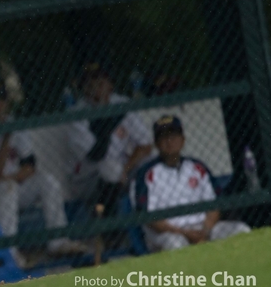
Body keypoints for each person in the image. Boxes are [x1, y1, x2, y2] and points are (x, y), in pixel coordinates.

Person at [0, 79, 87, 258]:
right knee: (6, 188)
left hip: (9, 187)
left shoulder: (14, 124)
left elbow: (30, 166)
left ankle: (58, 242)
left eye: (0, 100)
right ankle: (9, 253)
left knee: (47, 182)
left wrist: (12, 177)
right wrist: (6, 137)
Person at [131, 115, 251, 251]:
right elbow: (149, 218)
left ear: (183, 139)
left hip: (204, 228)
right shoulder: (146, 174)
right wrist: (186, 234)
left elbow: (215, 205)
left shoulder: (197, 167)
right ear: (156, 143)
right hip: (169, 234)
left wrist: (205, 231)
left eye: (174, 135)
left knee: (241, 230)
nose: (169, 141)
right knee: (176, 244)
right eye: (164, 137)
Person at [66, 62, 153, 214]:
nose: (96, 84)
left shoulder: (121, 103)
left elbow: (146, 145)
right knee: (110, 169)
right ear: (83, 87)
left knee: (150, 163)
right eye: (90, 81)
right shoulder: (77, 114)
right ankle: (106, 221)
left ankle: (148, 214)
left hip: (122, 169)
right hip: (88, 178)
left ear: (110, 84)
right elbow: (95, 155)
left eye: (101, 79)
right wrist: (108, 124)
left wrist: (126, 169)